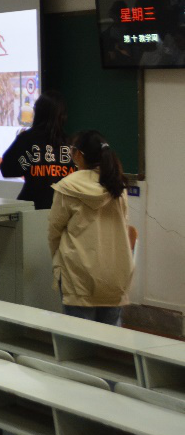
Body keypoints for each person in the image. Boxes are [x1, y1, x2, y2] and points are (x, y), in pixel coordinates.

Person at [48, 130, 134, 325]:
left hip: (78, 276)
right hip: (116, 275)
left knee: (79, 339)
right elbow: (125, 225)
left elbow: (54, 232)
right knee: (110, 340)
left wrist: (59, 263)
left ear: (79, 154)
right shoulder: (117, 185)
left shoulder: (68, 186)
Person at [0, 91, 75, 209]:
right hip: (64, 211)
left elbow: (7, 169)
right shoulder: (72, 144)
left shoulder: (26, 139)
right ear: (63, 115)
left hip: (32, 210)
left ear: (38, 112)